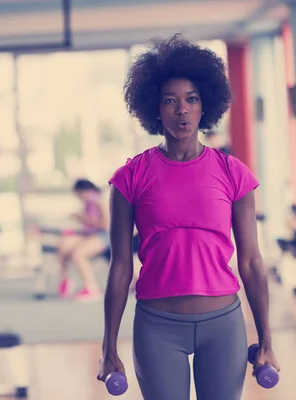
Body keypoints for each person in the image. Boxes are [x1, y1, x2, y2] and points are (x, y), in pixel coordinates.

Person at [96, 34, 280, 400]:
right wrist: (108, 345)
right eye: (170, 101)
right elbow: (119, 267)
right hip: (157, 325)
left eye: (191, 99)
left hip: (223, 324)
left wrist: (267, 340)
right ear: (154, 109)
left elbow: (251, 262)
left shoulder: (233, 173)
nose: (182, 110)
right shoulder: (130, 177)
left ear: (204, 106)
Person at [57, 178, 110, 301]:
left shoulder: (102, 202)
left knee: (78, 254)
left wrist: (82, 218)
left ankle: (92, 288)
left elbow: (106, 226)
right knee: (64, 244)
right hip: (92, 235)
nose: (78, 197)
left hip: (107, 237)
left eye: (79, 194)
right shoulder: (88, 204)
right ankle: (65, 280)